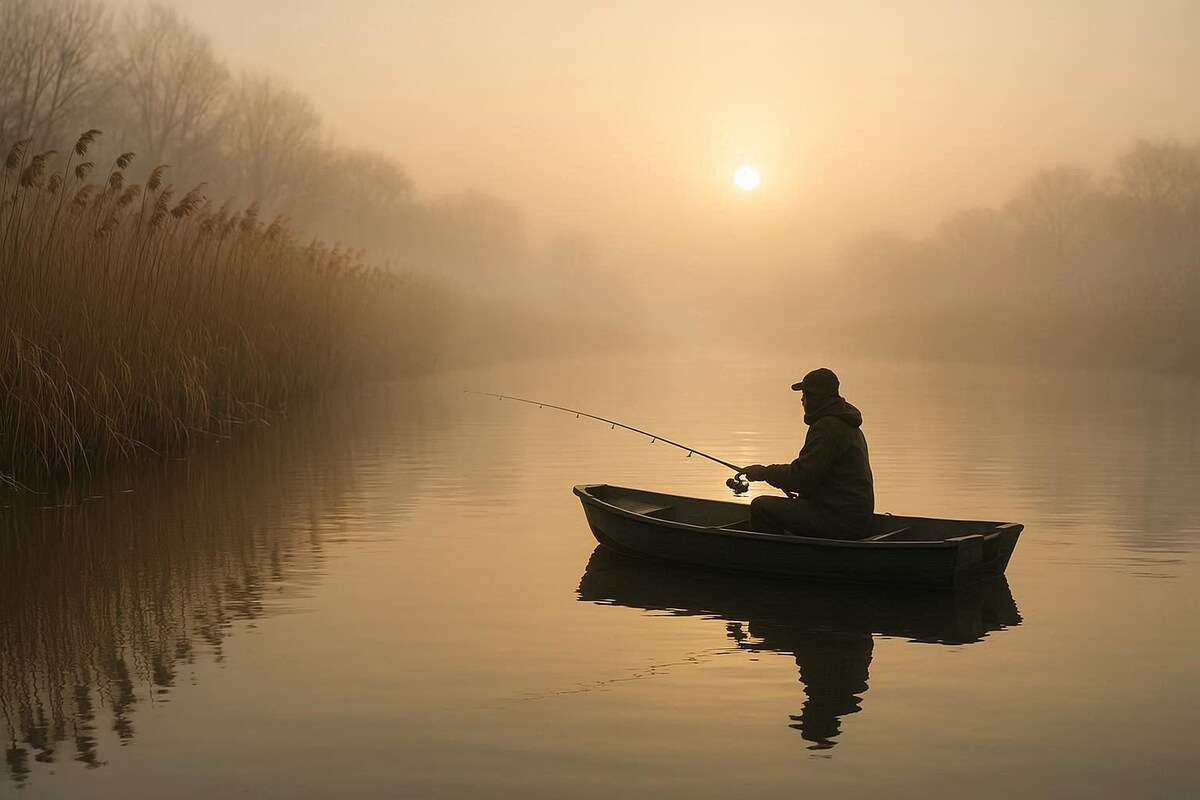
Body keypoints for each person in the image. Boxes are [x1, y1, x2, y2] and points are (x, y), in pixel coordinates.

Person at [739, 368, 874, 538]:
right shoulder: (846, 423)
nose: (802, 400)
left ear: (817, 397)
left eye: (806, 395)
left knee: (760, 506)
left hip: (840, 521)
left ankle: (773, 554)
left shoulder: (827, 427)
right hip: (855, 517)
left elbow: (801, 478)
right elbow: (813, 477)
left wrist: (764, 473)